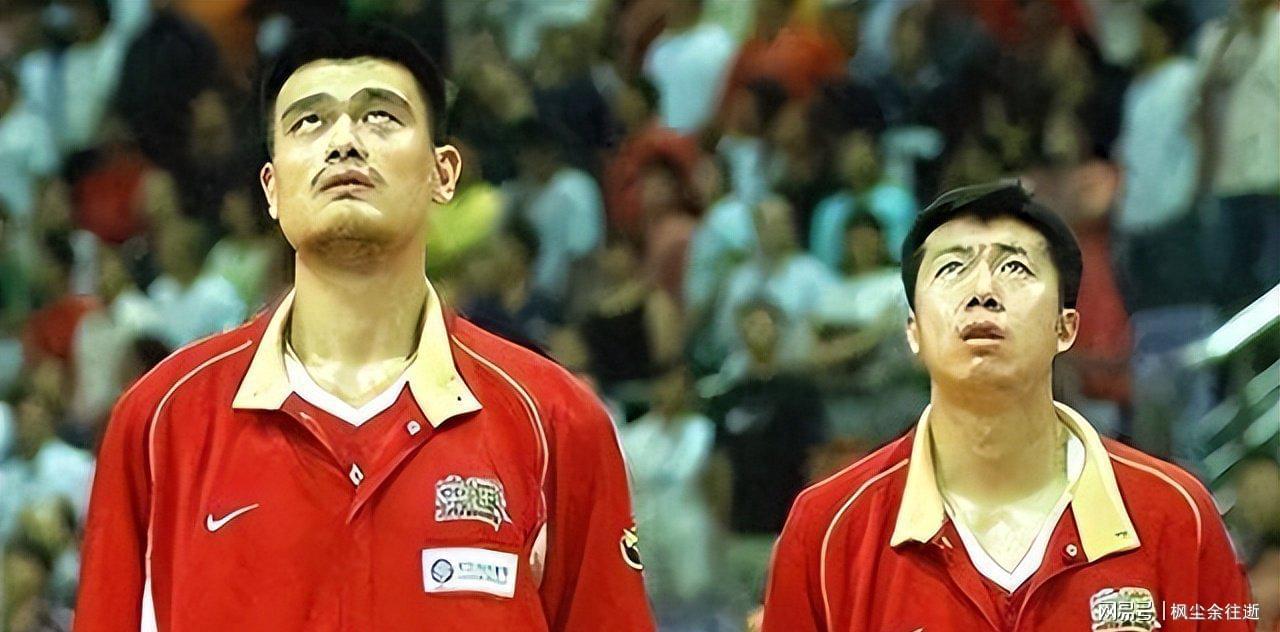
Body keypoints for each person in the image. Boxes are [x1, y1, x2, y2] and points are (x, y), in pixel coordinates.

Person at [75, 24, 654, 631]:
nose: (344, 142)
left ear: (443, 174)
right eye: (309, 122)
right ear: (271, 189)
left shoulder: (557, 421)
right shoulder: (158, 421)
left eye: (380, 117)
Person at [762, 181, 1252, 631]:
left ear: (1066, 327)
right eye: (951, 269)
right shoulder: (825, 529)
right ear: (913, 330)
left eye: (1015, 267)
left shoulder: (1178, 514)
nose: (982, 293)